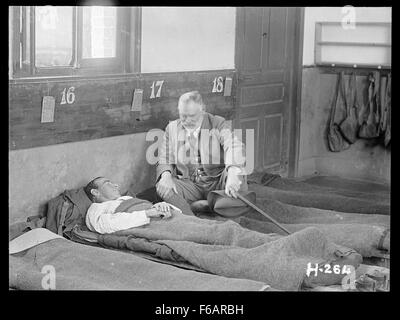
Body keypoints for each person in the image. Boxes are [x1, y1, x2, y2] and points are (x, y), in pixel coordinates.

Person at [155, 91, 248, 215]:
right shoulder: (171, 128)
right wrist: (165, 176)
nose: (187, 120)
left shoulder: (217, 123)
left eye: (192, 116)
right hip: (191, 184)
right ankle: (192, 216)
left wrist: (232, 171)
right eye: (183, 116)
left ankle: (209, 205)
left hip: (217, 183)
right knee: (163, 187)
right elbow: (165, 158)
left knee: (238, 174)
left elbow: (233, 145)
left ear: (203, 110)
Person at [84, 177, 178, 234]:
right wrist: (147, 214)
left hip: (165, 217)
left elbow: (147, 207)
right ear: (95, 192)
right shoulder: (96, 207)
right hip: (151, 224)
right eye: (108, 183)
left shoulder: (126, 199)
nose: (116, 185)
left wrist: (163, 206)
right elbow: (103, 224)